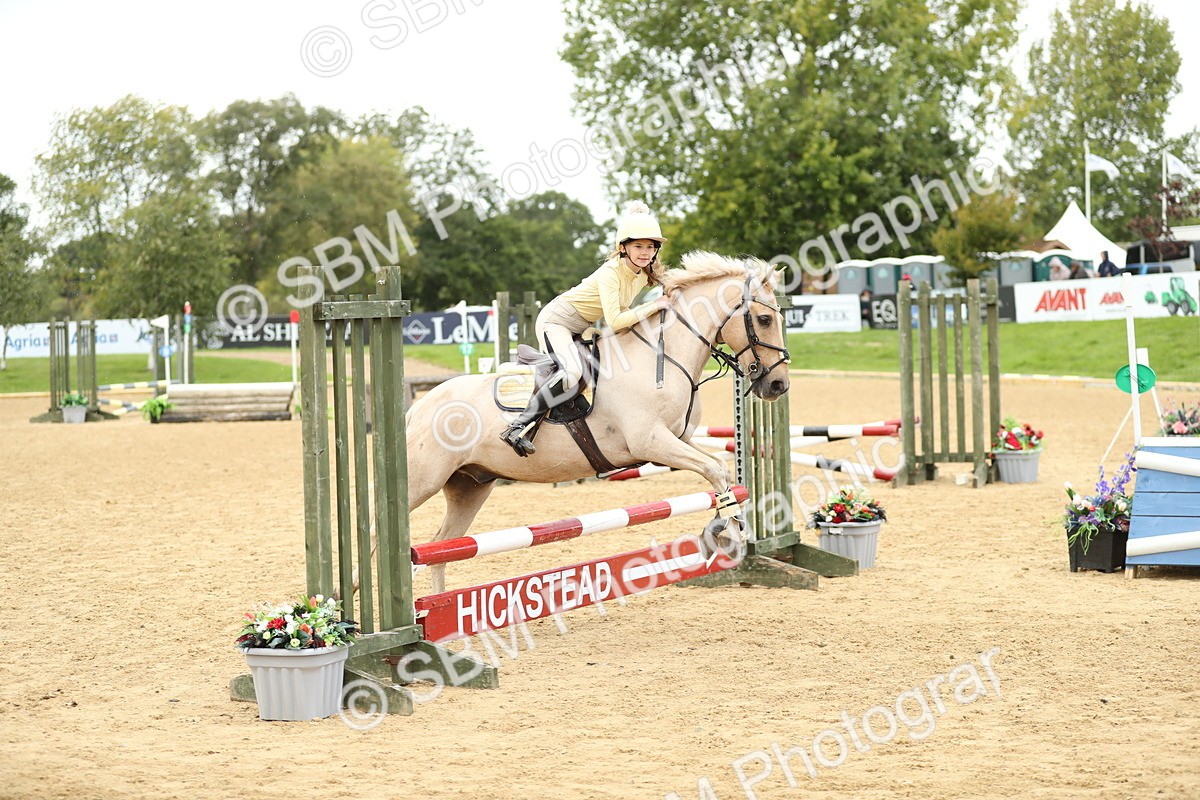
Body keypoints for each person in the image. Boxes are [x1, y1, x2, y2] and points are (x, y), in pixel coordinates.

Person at [499, 201, 671, 457]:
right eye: (638, 246)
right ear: (622, 248)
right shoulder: (611, 272)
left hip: (579, 327)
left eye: (650, 247)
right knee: (572, 371)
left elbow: (658, 293)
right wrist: (654, 305)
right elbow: (616, 320)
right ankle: (517, 427)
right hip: (556, 321)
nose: (645, 253)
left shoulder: (643, 273)